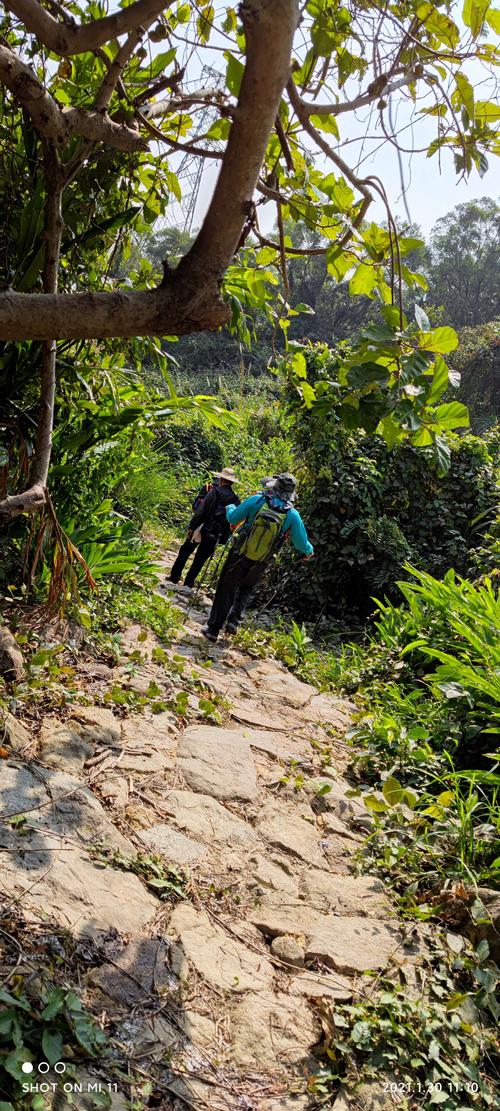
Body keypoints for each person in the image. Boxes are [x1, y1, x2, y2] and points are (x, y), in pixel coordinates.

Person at [201, 473, 313, 642]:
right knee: (246, 588)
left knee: (226, 589)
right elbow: (301, 543)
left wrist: (230, 507)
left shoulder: (257, 500)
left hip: (240, 553)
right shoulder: (292, 515)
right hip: (262, 560)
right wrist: (309, 551)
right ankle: (234, 620)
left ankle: (213, 630)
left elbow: (233, 517)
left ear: (274, 486)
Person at [169, 467, 240, 591]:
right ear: (232, 482)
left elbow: (201, 511)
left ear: (222, 479)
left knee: (185, 550)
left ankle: (174, 577)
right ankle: (188, 584)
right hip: (216, 534)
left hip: (202, 528)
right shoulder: (236, 499)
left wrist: (192, 526)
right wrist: (224, 537)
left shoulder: (214, 492)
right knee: (200, 559)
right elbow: (233, 520)